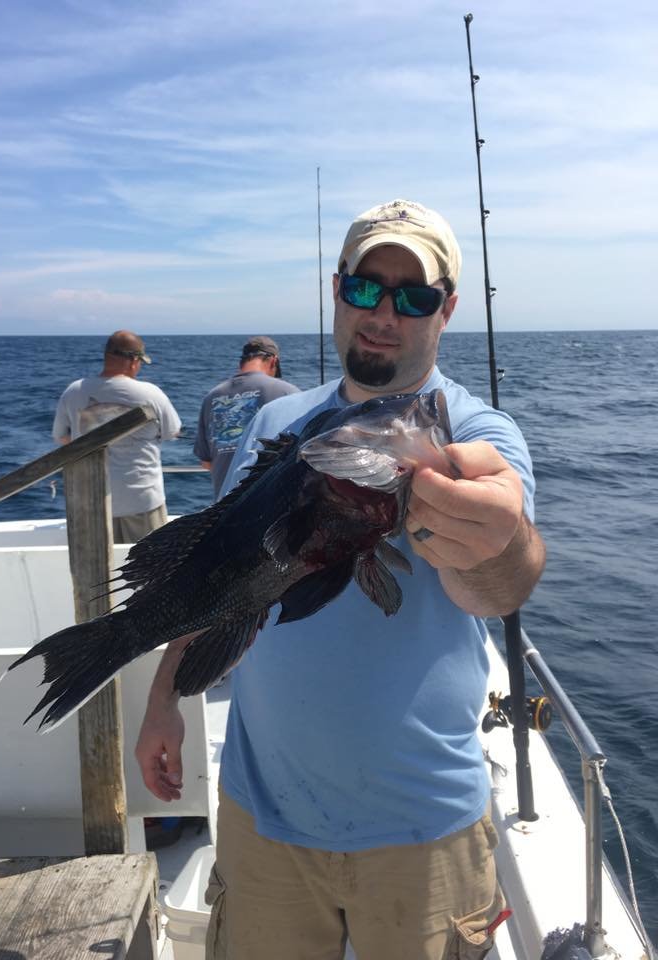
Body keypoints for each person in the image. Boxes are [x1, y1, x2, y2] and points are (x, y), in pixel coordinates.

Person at [135, 199, 546, 959]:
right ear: (336, 291)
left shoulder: (478, 435)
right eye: (365, 288)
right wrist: (165, 698)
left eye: (413, 297)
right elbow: (222, 573)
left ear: (447, 309)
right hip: (261, 818)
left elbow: (494, 587)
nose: (384, 314)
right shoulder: (275, 425)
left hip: (424, 832)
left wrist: (495, 541)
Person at [53, 329, 182, 543]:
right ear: (133, 361)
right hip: (142, 499)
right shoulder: (151, 393)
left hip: (90, 501)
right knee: (149, 563)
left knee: (95, 564)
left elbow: (62, 438)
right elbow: (172, 432)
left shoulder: (73, 391)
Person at [193, 335, 300, 497]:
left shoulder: (211, 397)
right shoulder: (288, 392)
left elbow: (206, 463)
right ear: (273, 361)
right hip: (273, 501)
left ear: (241, 362)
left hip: (224, 504)